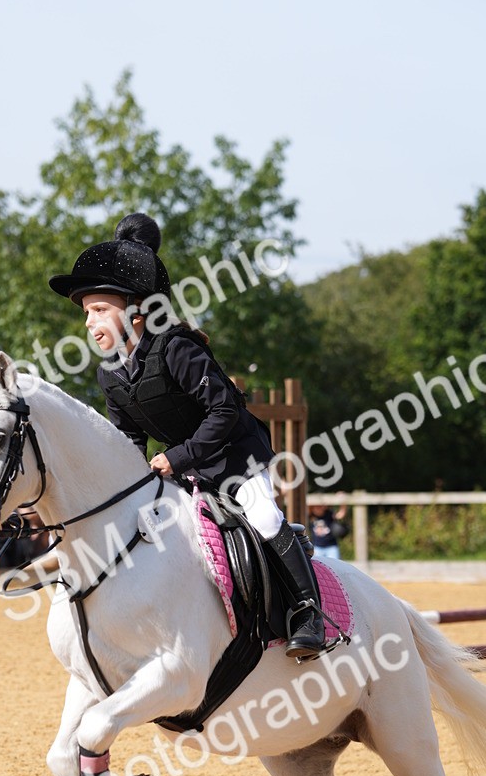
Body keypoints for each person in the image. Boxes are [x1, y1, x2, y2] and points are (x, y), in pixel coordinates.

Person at [49, 212, 325, 659]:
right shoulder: (111, 376)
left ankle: (309, 614)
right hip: (185, 467)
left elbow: (225, 410)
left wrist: (177, 457)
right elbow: (129, 438)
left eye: (99, 309)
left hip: (237, 458)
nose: (89, 323)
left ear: (137, 311)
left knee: (264, 518)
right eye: (86, 313)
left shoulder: (177, 348)